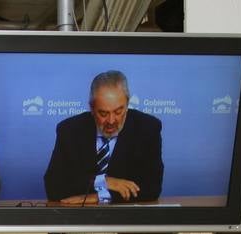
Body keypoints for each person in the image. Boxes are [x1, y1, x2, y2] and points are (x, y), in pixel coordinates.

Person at [44, 70, 164, 205]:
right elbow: (53, 186)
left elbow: (151, 188)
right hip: (79, 220)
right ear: (92, 108)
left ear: (127, 103)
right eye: (103, 113)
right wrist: (103, 181)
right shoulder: (70, 130)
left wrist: (99, 197)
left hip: (127, 220)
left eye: (118, 111)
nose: (111, 121)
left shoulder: (148, 128)